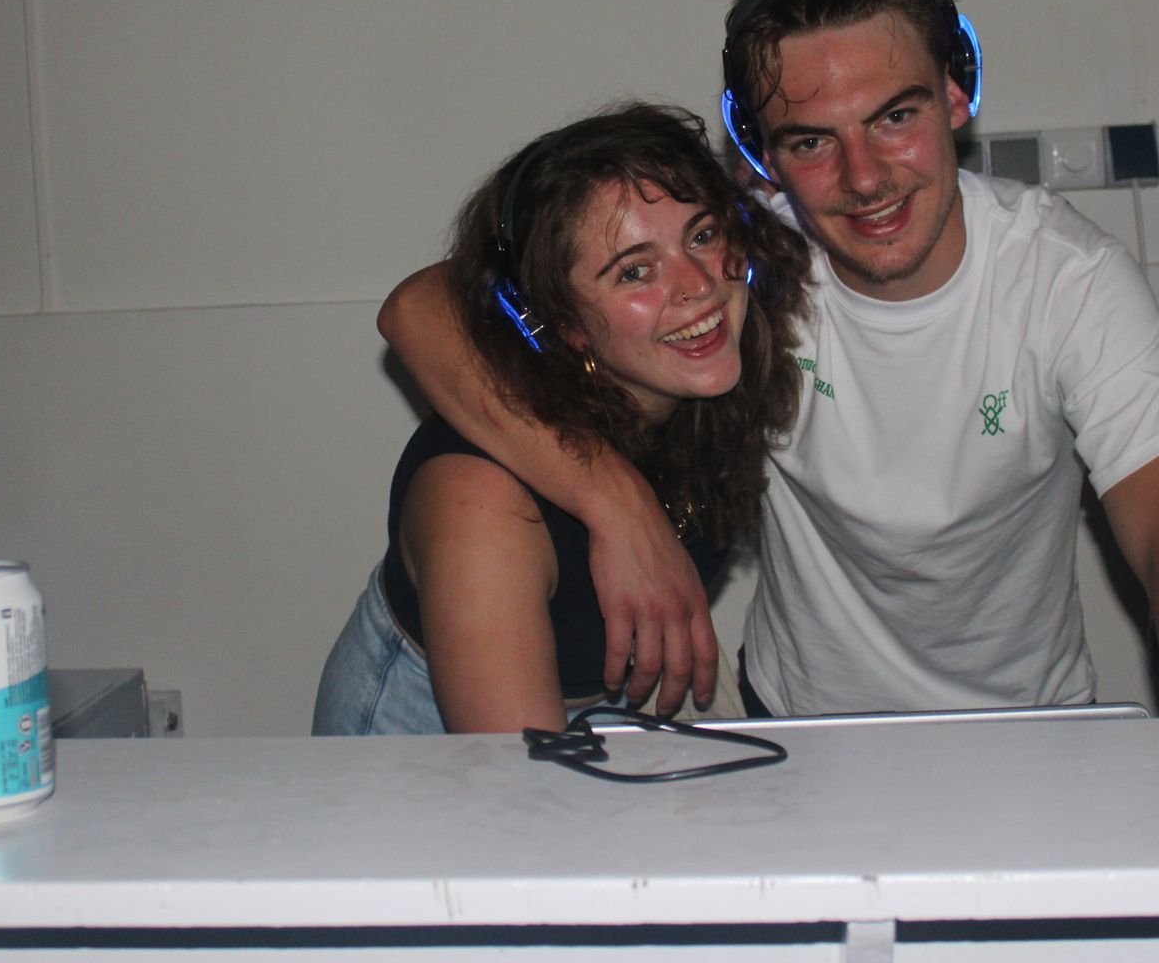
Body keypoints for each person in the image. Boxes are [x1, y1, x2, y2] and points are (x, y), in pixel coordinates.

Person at [378, 0, 1159, 719]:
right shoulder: (741, 259)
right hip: (801, 731)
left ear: (957, 95)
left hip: (1030, 730)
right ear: (761, 154)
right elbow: (421, 307)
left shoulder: (1066, 277)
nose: (864, 177)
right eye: (812, 140)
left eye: (894, 117)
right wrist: (616, 503)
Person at [312, 101, 810, 735]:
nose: (697, 285)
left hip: (603, 718)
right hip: (429, 746)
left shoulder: (693, 389)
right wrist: (618, 507)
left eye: (702, 236)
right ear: (564, 324)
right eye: (635, 271)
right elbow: (519, 780)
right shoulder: (482, 505)